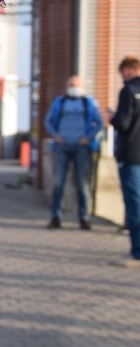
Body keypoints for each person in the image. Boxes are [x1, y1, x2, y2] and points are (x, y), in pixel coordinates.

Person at [43, 75, 104, 230]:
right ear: (66, 86)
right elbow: (48, 121)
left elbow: (99, 123)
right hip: (62, 146)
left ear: (82, 87)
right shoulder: (60, 102)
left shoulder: (88, 102)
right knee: (58, 183)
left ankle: (84, 218)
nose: (73, 87)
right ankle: (55, 216)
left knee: (83, 184)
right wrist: (55, 135)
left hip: (81, 147)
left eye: (76, 85)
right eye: (71, 84)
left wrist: (88, 138)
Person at [110, 56, 140, 267]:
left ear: (127, 71)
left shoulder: (128, 91)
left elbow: (123, 122)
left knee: (134, 202)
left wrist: (112, 117)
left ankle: (137, 251)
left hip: (131, 155)